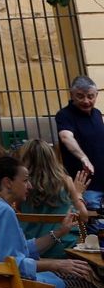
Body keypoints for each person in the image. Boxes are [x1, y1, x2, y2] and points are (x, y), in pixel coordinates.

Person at [0, 155, 101, 288]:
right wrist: (56, 265)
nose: (29, 186)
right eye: (25, 180)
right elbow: (14, 263)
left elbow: (21, 249)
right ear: (7, 182)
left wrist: (60, 232)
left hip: (3, 285)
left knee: (85, 286)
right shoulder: (4, 211)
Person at [19, 139, 88, 253]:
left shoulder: (22, 185)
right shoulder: (66, 181)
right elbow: (84, 217)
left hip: (33, 248)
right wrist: (78, 194)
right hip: (65, 247)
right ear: (52, 158)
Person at [56, 75, 104, 215]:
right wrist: (84, 158)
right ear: (72, 95)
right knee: (92, 230)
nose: (86, 101)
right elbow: (66, 136)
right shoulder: (64, 115)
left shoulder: (97, 114)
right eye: (80, 96)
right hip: (86, 186)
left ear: (96, 95)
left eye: (90, 96)